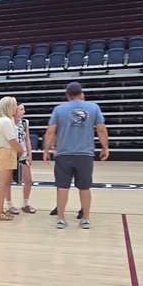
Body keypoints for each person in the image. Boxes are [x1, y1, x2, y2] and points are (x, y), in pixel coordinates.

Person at [43, 81, 109, 230]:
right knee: (85, 188)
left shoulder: (59, 109)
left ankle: (61, 219)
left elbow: (50, 131)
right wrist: (105, 147)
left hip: (63, 154)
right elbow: (101, 129)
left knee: (62, 187)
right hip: (85, 154)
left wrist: (46, 150)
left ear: (67, 94)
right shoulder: (94, 107)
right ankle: (85, 219)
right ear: (81, 93)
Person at [0, 96, 23, 221]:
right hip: (6, 152)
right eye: (14, 105)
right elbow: (12, 140)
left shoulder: (2, 120)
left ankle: (0, 210)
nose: (16, 107)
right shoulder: (5, 121)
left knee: (4, 183)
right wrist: (20, 150)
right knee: (2, 184)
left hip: (3, 152)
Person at [7, 102, 35, 214]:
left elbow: (27, 139)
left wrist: (30, 154)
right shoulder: (8, 122)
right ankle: (9, 205)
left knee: (28, 181)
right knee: (7, 182)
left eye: (24, 109)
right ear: (14, 111)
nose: (24, 111)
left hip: (23, 156)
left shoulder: (24, 122)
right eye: (21, 109)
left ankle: (25, 204)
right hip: (10, 156)